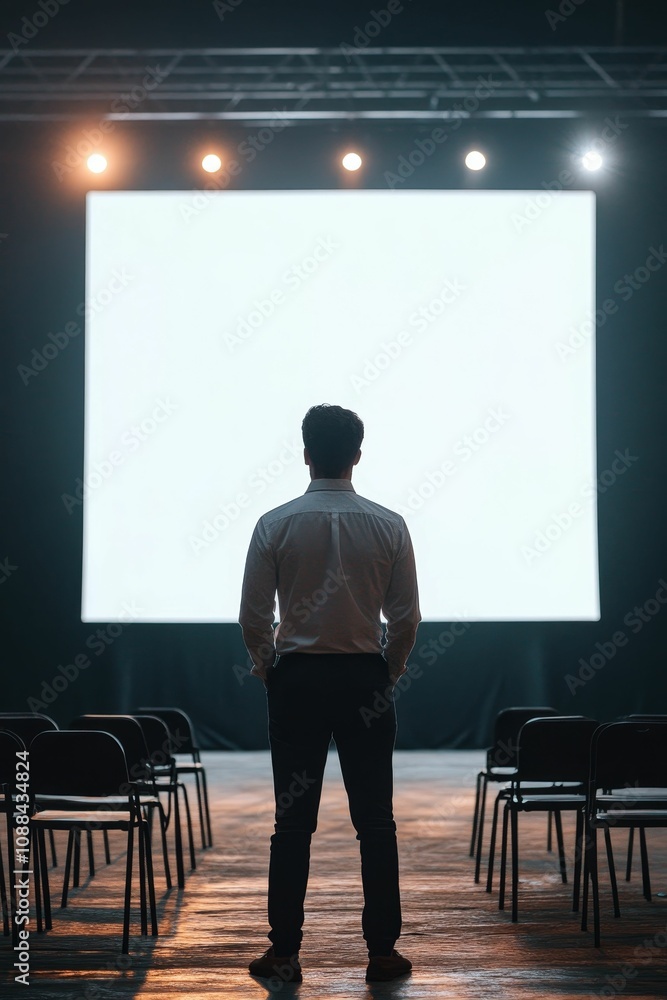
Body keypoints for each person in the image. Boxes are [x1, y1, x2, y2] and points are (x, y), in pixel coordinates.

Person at [239, 403, 421, 984]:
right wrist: (386, 672)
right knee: (376, 821)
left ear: (306, 453)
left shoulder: (275, 523)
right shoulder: (389, 525)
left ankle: (286, 954)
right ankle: (382, 954)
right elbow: (408, 618)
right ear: (358, 455)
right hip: (364, 679)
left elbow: (251, 616)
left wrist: (270, 668)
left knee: (292, 823)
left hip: (297, 683)